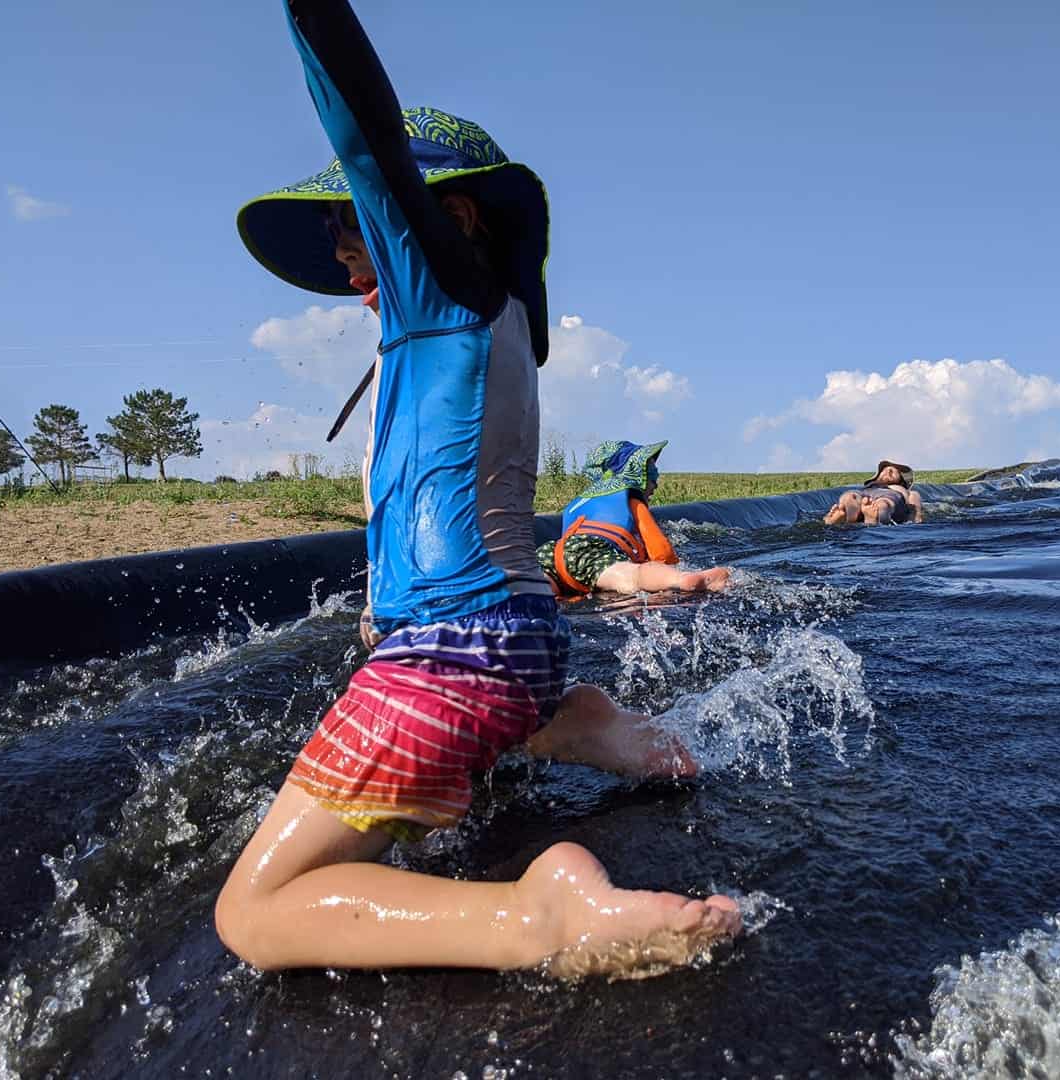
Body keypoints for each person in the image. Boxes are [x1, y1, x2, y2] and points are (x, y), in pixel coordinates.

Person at [215, 0, 740, 978]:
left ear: (444, 220)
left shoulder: (444, 291)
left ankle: (539, 916)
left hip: (446, 659)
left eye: (354, 225)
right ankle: (579, 721)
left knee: (254, 910)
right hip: (525, 641)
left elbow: (365, 131)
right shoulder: (487, 329)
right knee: (489, 713)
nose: (341, 247)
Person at [539, 440, 731, 598]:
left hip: (551, 552)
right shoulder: (631, 499)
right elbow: (659, 547)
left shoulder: (578, 502)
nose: (656, 480)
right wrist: (669, 569)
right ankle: (683, 580)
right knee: (632, 576)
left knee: (542, 581)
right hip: (596, 552)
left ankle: (544, 595)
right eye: (652, 471)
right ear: (635, 473)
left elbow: (571, 553)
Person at [823, 460, 924, 525]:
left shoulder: (903, 490)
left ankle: (871, 519)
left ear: (902, 481)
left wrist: (914, 517)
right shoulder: (866, 487)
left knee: (884, 503)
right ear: (878, 475)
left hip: (890, 495)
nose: (888, 472)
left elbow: (916, 513)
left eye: (894, 472)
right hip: (864, 493)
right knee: (849, 497)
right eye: (885, 470)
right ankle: (848, 517)